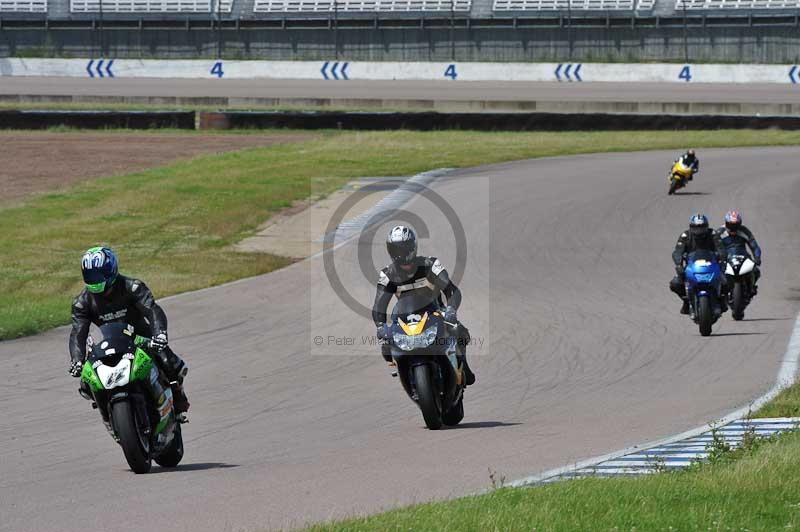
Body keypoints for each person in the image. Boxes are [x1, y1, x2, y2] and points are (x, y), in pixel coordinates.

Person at [68, 246, 190, 415]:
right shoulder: (82, 303)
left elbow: (152, 310)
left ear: (111, 270)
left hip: (141, 338)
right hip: (109, 343)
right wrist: (77, 359)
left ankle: (178, 394)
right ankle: (107, 410)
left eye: (99, 275)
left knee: (168, 361)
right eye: (90, 276)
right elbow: (78, 332)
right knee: (86, 383)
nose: (95, 280)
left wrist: (160, 334)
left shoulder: (133, 287)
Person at [372, 226, 475, 386]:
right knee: (386, 345)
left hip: (436, 312)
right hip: (406, 319)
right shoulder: (387, 274)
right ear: (390, 251)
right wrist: (380, 326)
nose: (402, 255)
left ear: (413, 247)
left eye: (405, 249)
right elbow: (379, 305)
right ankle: (402, 369)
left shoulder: (430, 264)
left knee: (459, 331)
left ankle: (463, 366)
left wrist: (451, 310)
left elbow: (452, 290)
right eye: (397, 250)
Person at [670, 214, 727, 315]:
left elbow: (721, 249)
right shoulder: (685, 236)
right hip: (691, 267)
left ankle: (721, 300)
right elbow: (677, 252)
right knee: (675, 283)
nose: (699, 230)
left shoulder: (713, 234)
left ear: (706, 226)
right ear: (691, 227)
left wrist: (722, 260)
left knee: (728, 281)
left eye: (702, 227)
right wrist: (679, 264)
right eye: (696, 227)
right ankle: (686, 301)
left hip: (711, 265)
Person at [716, 210, 762, 295]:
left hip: (743, 256)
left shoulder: (744, 231)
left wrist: (757, 258)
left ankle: (751, 288)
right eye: (730, 225)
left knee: (756, 271)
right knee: (717, 273)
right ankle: (721, 292)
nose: (733, 228)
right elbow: (713, 247)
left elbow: (754, 246)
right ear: (726, 224)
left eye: (735, 226)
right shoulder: (719, 232)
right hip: (726, 258)